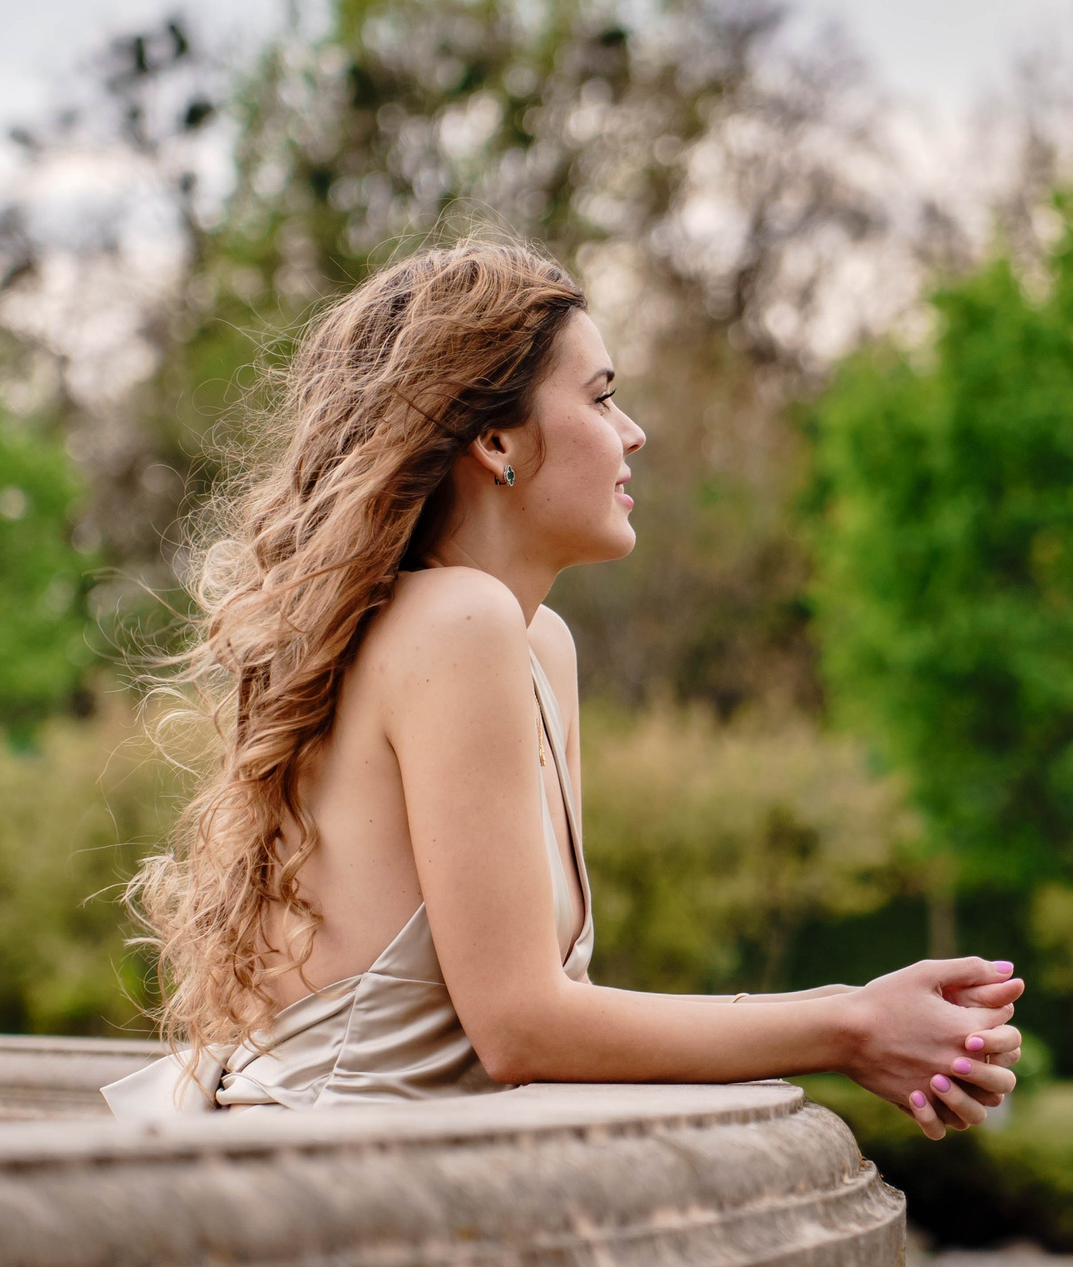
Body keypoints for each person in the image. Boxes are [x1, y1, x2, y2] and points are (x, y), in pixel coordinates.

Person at [104, 241, 1019, 1137]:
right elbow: (520, 1029)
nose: (633, 431)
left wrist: (855, 1005)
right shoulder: (459, 621)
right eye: (602, 396)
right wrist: (847, 1029)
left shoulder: (537, 641)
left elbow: (561, 1013)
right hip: (333, 1197)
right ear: (495, 439)